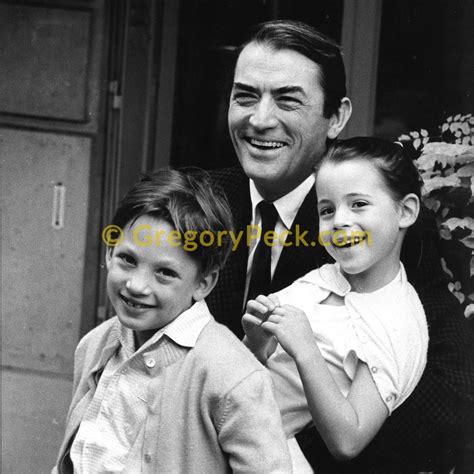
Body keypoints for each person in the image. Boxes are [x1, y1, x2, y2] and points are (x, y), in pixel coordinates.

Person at [207, 19, 474, 472]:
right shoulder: (200, 202)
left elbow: (454, 385)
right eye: (246, 96)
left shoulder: (376, 226)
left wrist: (273, 450)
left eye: (288, 99)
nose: (259, 119)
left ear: (337, 117)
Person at [53, 169, 292, 473]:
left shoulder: (232, 376)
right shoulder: (95, 344)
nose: (137, 286)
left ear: (203, 283)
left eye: (165, 273)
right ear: (110, 252)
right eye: (128, 259)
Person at [243, 137, 429, 472]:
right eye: (327, 210)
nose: (339, 220)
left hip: (269, 459)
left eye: (358, 204)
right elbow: (249, 372)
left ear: (406, 210)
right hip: (226, 429)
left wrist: (305, 350)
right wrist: (256, 344)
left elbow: (348, 440)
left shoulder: (399, 321)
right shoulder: (321, 279)